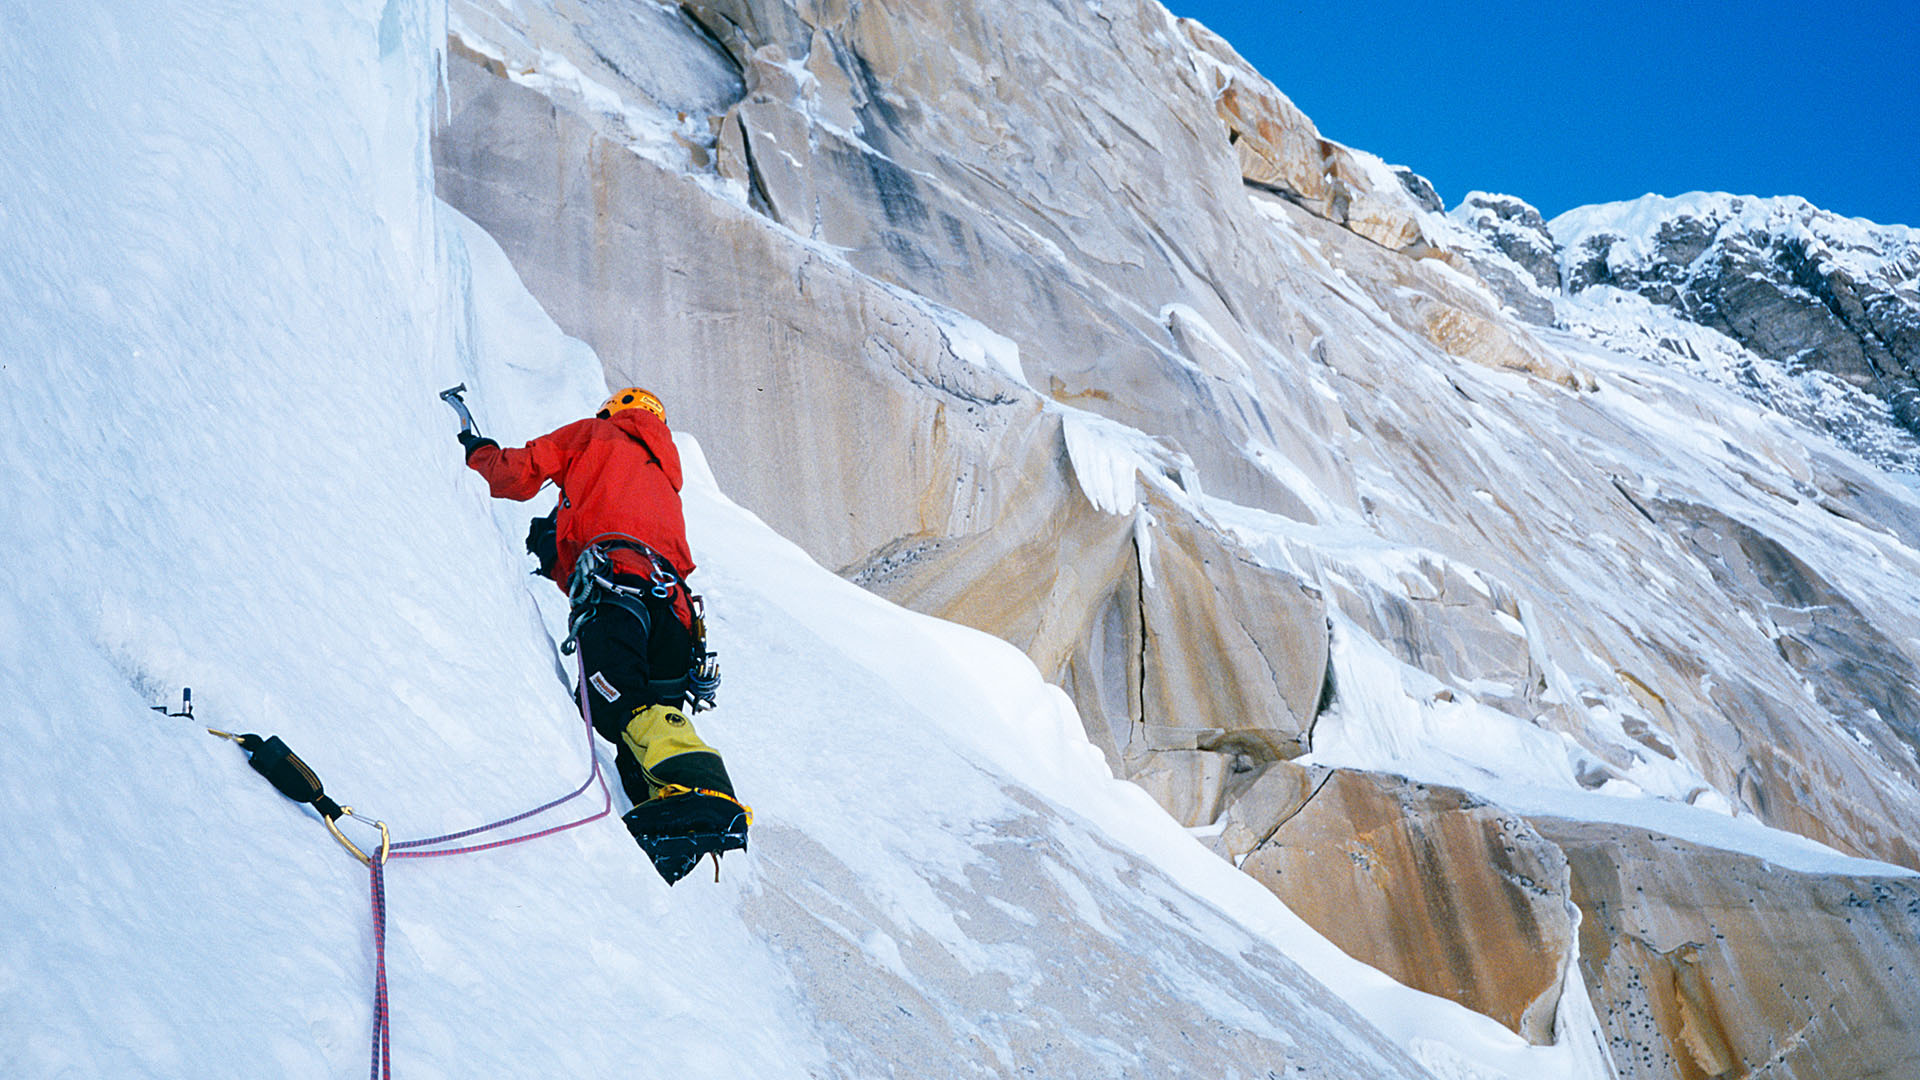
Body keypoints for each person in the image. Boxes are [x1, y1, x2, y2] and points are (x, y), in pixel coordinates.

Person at [458, 386, 747, 883]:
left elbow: (515, 474)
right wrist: (555, 551)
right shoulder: (664, 472)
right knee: (646, 725)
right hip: (673, 617)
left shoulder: (597, 433)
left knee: (618, 701)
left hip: (619, 589)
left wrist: (473, 450)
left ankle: (703, 793)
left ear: (615, 412)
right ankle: (668, 831)